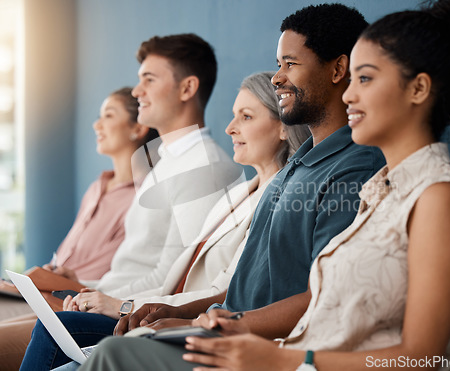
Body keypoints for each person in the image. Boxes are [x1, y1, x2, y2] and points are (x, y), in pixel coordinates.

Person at [79, 0, 450, 369]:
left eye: (364, 79)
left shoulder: (438, 199)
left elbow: (425, 359)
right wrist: (206, 321)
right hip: (283, 355)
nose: (349, 95)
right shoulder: (383, 192)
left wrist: (279, 356)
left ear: (418, 89)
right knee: (104, 353)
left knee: (111, 356)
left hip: (287, 359)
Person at [26, 70, 311, 370]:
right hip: (159, 312)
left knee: (61, 333)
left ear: (283, 127)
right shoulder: (242, 191)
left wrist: (122, 305)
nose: (229, 128)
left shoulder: (279, 200)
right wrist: (108, 299)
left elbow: (226, 293)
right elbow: (175, 281)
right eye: (233, 116)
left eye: (246, 117)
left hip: (189, 322)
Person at [15, 33, 241, 371]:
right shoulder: (166, 162)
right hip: (114, 302)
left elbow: (176, 280)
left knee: (47, 328)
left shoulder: (202, 168)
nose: (137, 92)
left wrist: (101, 297)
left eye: (148, 80)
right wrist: (87, 289)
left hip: (135, 316)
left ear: (187, 88)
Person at [0, 86, 158, 368]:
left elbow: (121, 274)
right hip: (46, 295)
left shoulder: (146, 195)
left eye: (108, 115)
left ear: (138, 128)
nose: (97, 124)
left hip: (73, 301)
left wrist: (68, 281)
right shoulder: (98, 186)